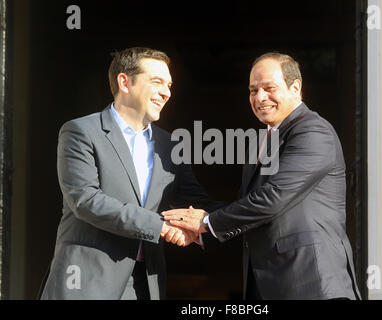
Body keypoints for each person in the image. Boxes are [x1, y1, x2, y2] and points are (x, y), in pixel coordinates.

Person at [163, 52, 361, 300]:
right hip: (269, 285)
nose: (259, 98)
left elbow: (272, 199)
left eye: (269, 88)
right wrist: (201, 229)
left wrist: (205, 223)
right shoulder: (264, 140)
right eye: (253, 90)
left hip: (311, 285)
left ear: (295, 88)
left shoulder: (313, 131)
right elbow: (246, 208)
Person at [40, 47, 217, 299]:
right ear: (125, 82)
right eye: (157, 82)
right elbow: (86, 200)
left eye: (169, 85)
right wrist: (162, 227)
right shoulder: (80, 132)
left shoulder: (171, 145)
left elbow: (197, 203)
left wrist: (239, 217)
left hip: (145, 285)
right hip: (86, 283)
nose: (166, 92)